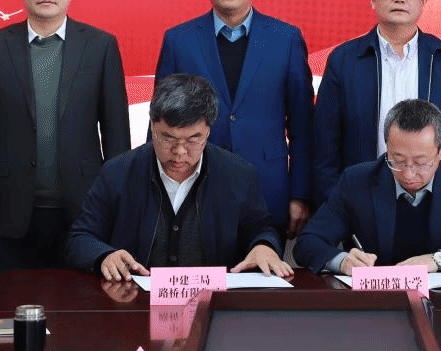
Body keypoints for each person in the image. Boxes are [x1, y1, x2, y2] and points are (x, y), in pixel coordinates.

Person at [0, 0, 129, 270]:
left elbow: (116, 133)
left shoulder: (100, 46)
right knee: (13, 297)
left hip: (84, 205)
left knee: (79, 299)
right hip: (10, 205)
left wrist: (116, 200)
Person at [154, 0, 313, 236]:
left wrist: (300, 194)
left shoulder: (285, 39)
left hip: (268, 188)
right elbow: (161, 124)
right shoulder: (179, 40)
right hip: (195, 187)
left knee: (264, 264)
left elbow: (303, 126)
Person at [66, 73, 292, 281]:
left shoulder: (238, 175)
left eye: (193, 139)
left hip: (213, 303)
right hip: (134, 301)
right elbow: (80, 238)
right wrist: (104, 256)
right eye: (168, 138)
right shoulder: (118, 172)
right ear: (152, 126)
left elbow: (262, 230)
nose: (180, 152)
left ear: (208, 132)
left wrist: (264, 246)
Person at [313, 0, 441, 205]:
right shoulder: (345, 60)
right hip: (364, 199)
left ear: (424, 0)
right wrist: (334, 203)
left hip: (437, 199)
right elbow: (325, 141)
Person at [295, 99, 441, 273]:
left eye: (421, 162)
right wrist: (342, 261)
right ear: (387, 147)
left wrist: (439, 259)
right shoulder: (357, 181)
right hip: (380, 302)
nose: (409, 174)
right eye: (398, 161)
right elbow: (307, 243)